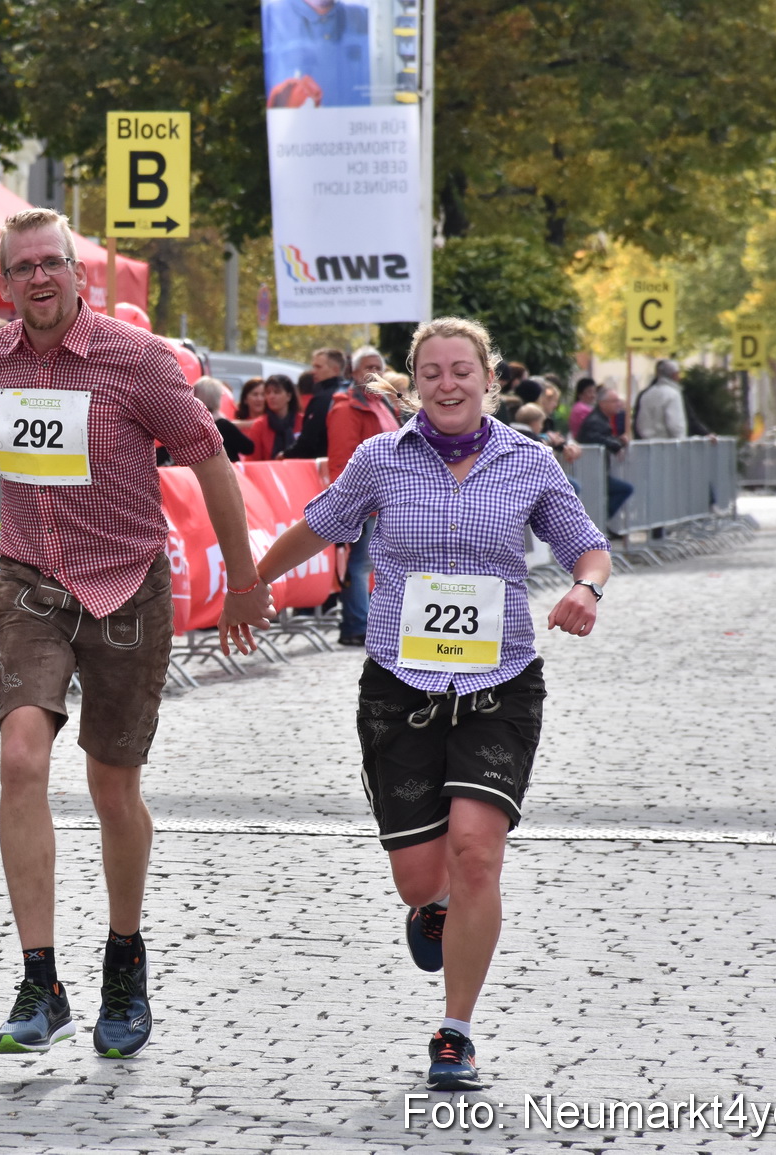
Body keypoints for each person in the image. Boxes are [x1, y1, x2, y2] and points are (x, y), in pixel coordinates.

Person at [0, 207, 273, 1060]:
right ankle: (41, 980)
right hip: (32, 583)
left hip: (126, 587)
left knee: (112, 787)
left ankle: (125, 957)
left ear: (78, 275)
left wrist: (242, 577)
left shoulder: (136, 359)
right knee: (19, 758)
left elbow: (208, 459)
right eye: (23, 268)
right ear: (5, 284)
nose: (39, 278)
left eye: (53, 262)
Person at [252, 315, 611, 1092]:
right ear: (415, 381)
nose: (449, 384)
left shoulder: (529, 461)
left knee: (478, 851)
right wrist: (251, 584)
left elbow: (588, 542)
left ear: (488, 377)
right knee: (421, 876)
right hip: (401, 685)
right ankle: (433, 903)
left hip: (499, 683)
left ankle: (456, 1033)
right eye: (434, 372)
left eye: (463, 370)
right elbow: (317, 528)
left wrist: (586, 586)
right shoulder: (382, 459)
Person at [324, 364, 402, 645]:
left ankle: (361, 623)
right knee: (357, 565)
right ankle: (358, 625)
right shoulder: (347, 409)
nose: (374, 372)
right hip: (363, 500)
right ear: (353, 371)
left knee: (362, 565)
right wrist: (346, 503)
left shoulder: (380, 403)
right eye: (367, 366)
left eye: (378, 367)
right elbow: (342, 458)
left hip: (380, 500)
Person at [577, 388, 636, 519]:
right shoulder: (595, 420)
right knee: (624, 489)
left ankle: (599, 522)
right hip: (592, 471)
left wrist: (617, 441)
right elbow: (594, 438)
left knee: (623, 489)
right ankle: (598, 522)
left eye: (619, 401)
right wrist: (615, 444)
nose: (619, 404)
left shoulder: (601, 419)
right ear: (602, 403)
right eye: (614, 401)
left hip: (597, 471)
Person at [285, 346, 349, 458]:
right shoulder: (351, 393)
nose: (313, 371)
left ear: (335, 370)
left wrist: (286, 455)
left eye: (318, 367)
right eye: (313, 366)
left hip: (324, 464)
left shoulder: (323, 398)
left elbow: (309, 439)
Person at [194, 376, 254, 462]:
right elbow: (248, 447)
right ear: (217, 397)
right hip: (227, 469)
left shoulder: (192, 424)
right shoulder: (223, 424)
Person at [245, 374, 302, 461]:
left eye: (277, 392)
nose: (271, 396)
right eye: (268, 392)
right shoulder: (260, 425)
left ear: (289, 396)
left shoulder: (302, 421)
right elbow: (251, 461)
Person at [633, 359, 687, 440]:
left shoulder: (647, 394)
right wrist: (681, 439)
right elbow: (675, 424)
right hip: (669, 444)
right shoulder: (673, 394)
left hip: (647, 443)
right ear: (674, 374)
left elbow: (641, 422)